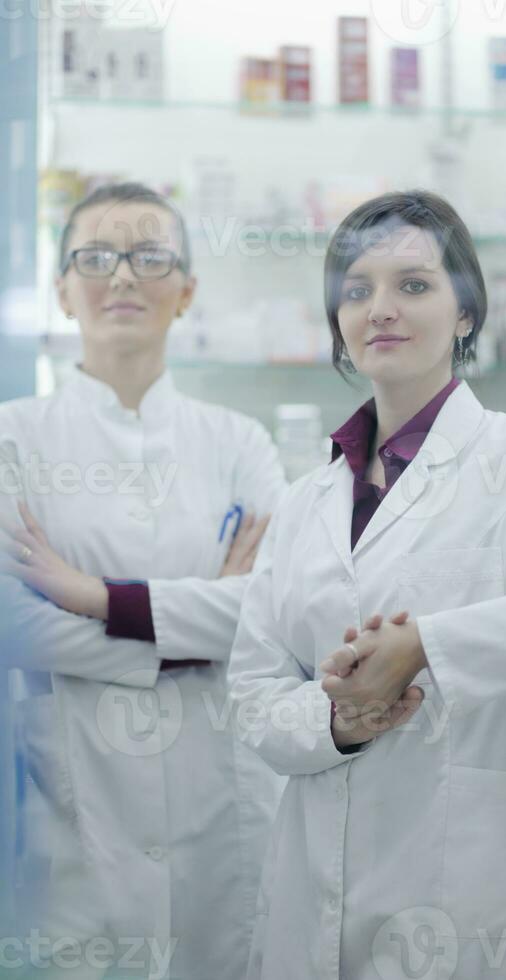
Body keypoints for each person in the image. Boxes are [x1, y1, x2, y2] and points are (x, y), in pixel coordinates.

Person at [227, 190, 506, 980]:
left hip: (456, 879)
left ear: (466, 314)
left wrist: (429, 644)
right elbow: (252, 693)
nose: (381, 308)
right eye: (357, 290)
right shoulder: (305, 498)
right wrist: (343, 720)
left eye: (414, 285)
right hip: (311, 878)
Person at [0, 183, 286, 980]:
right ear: (61, 288)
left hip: (219, 789)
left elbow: (267, 612)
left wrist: (90, 596)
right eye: (96, 257)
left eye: (149, 257)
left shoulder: (239, 441)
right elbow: (14, 624)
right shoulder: (11, 438)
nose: (122, 276)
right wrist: (191, 639)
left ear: (186, 291)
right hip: (72, 795)